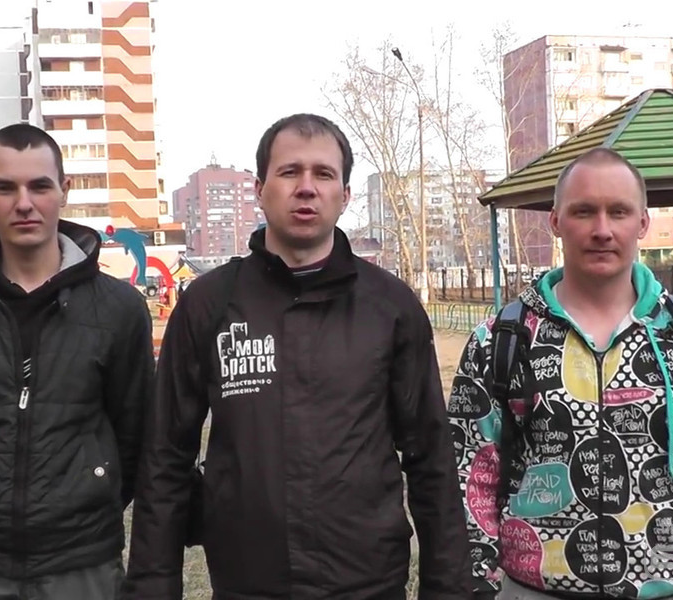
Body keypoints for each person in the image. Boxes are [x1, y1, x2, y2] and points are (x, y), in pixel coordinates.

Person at [124, 113, 471, 599]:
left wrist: (448, 588)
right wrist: (152, 587)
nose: (306, 187)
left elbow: (431, 458)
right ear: (260, 189)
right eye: (289, 172)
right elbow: (165, 458)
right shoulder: (208, 304)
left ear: (344, 195)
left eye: (323, 174)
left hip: (367, 583)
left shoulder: (391, 307)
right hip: (247, 584)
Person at [450, 148, 673, 599]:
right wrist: (477, 585)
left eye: (618, 211)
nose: (602, 229)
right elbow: (471, 475)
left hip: (669, 588)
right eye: (584, 211)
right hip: (532, 589)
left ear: (642, 223)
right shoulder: (500, 340)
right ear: (556, 221)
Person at [0, 123, 154, 600]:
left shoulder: (120, 309)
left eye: (39, 186)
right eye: (6, 188)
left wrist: (93, 492)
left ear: (64, 190)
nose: (24, 203)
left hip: (82, 559)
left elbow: (134, 430)